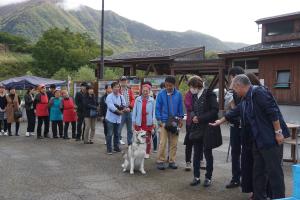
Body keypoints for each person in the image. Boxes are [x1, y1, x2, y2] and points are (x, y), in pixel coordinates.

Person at [210, 74, 289, 200]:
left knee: (275, 173)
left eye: (234, 89)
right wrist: (221, 121)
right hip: (258, 141)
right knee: (258, 172)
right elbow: (236, 111)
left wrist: (278, 132)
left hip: (271, 140)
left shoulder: (259, 93)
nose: (234, 92)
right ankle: (259, 197)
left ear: (239, 86)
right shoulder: (246, 98)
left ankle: (279, 198)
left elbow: (272, 112)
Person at [188, 76, 222, 187]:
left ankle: (208, 177)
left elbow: (214, 110)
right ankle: (196, 176)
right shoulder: (193, 95)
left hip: (208, 128)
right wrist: (193, 116)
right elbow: (192, 109)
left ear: (197, 85)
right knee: (196, 153)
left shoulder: (209, 94)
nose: (191, 89)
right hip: (197, 128)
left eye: (191, 87)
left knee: (208, 154)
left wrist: (200, 118)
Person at [155, 76, 184, 170]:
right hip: (163, 122)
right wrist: (159, 119)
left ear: (174, 85)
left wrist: (180, 119)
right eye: (166, 85)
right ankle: (160, 160)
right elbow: (158, 108)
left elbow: (180, 107)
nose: (168, 87)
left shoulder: (178, 94)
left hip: (174, 122)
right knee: (162, 142)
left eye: (170, 85)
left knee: (174, 143)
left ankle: (172, 160)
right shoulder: (161, 94)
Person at [226, 66, 245, 189]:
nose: (230, 80)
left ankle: (245, 178)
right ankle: (235, 178)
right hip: (234, 126)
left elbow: (235, 110)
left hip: (244, 126)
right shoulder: (231, 92)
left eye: (231, 77)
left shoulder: (246, 91)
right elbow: (230, 110)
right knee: (235, 152)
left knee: (246, 153)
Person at [132, 83, 155, 159]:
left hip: (148, 122)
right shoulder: (137, 99)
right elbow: (134, 110)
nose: (145, 92)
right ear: (141, 91)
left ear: (149, 91)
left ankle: (147, 152)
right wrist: (134, 121)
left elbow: (154, 112)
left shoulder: (152, 100)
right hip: (139, 122)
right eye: (144, 90)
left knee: (148, 138)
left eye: (147, 91)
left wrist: (153, 122)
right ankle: (138, 152)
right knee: (138, 138)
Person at [105, 81, 127, 154]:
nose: (117, 88)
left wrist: (123, 109)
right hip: (110, 119)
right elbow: (111, 106)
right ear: (112, 88)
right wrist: (119, 111)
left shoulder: (121, 96)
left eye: (118, 87)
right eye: (115, 87)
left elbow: (124, 104)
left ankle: (116, 148)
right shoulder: (109, 96)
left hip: (118, 119)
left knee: (117, 134)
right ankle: (109, 149)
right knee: (110, 134)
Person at [118, 76, 135, 145]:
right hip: (121, 112)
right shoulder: (118, 90)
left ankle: (130, 143)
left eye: (124, 81)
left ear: (126, 82)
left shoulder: (130, 90)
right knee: (119, 129)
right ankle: (117, 142)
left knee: (130, 129)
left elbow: (133, 100)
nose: (123, 83)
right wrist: (122, 108)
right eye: (122, 81)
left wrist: (130, 107)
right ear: (120, 82)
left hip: (129, 111)